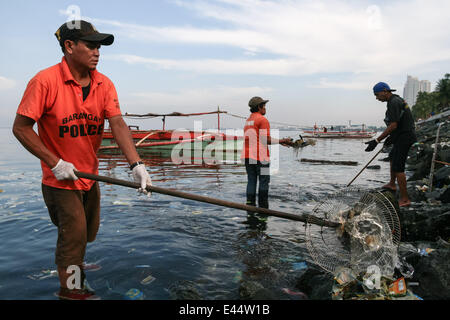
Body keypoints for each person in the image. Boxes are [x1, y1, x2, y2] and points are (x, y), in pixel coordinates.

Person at [12, 20, 152, 300]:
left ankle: (76, 266)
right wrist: (55, 163)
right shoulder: (45, 81)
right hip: (60, 180)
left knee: (87, 234)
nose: (97, 51)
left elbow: (118, 123)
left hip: (89, 176)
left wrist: (136, 165)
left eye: (99, 46)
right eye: (90, 45)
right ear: (69, 46)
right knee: (72, 239)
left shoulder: (104, 83)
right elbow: (21, 128)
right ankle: (71, 291)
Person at [365, 82, 417, 207]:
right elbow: (399, 123)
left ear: (384, 91)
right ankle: (392, 184)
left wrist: (376, 141)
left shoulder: (394, 102)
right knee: (393, 157)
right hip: (401, 135)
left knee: (399, 167)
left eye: (377, 95)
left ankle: (405, 199)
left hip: (405, 137)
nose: (377, 98)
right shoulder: (395, 100)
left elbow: (393, 125)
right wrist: (391, 138)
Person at [241, 97, 293, 210]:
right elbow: (266, 140)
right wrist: (281, 141)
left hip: (248, 156)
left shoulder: (248, 121)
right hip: (261, 158)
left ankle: (250, 207)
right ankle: (263, 210)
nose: (265, 108)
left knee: (251, 180)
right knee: (264, 181)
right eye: (264, 105)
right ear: (259, 107)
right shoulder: (262, 120)